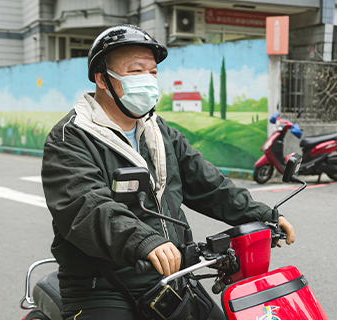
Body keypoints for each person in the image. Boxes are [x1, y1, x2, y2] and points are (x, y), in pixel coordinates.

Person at [41, 24, 295, 320]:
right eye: (136, 71)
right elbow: (86, 207)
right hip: (102, 285)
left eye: (153, 73)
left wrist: (261, 214)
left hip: (172, 274)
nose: (148, 81)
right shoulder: (71, 138)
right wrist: (144, 241)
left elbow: (209, 184)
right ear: (102, 79)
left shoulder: (158, 131)